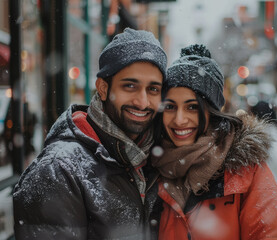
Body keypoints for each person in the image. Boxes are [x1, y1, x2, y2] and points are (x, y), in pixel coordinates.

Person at [13, 28, 167, 239]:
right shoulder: (58, 171)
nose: (142, 101)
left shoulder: (153, 159)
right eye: (130, 86)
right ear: (102, 88)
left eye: (153, 89)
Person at [150, 45, 277, 240]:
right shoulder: (150, 165)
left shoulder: (247, 170)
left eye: (192, 107)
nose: (179, 119)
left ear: (212, 111)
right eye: (170, 106)